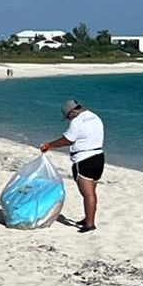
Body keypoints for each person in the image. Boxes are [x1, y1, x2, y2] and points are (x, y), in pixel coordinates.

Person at [41, 98, 105, 232]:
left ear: (71, 113)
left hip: (84, 160)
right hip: (99, 157)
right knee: (92, 192)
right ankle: (88, 218)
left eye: (68, 117)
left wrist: (49, 145)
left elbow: (67, 140)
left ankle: (90, 224)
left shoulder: (77, 122)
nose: (69, 120)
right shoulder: (94, 116)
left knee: (87, 195)